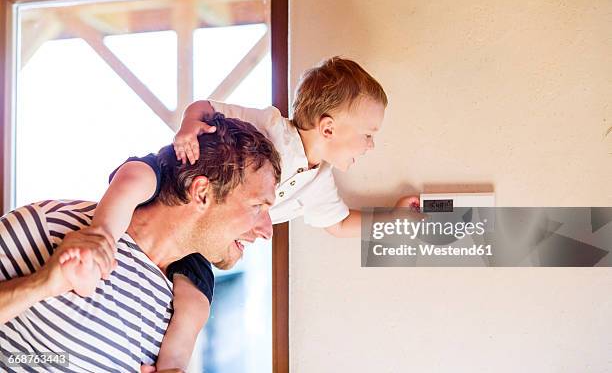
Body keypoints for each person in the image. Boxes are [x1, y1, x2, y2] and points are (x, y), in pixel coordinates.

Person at [73, 56, 420, 369]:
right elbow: (204, 108)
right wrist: (188, 129)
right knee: (134, 178)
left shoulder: (319, 182)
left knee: (195, 306)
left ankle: (171, 366)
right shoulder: (269, 126)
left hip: (203, 243)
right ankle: (99, 241)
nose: (371, 144)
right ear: (327, 128)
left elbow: (340, 223)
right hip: (171, 184)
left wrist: (394, 220)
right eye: (368, 134)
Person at [0, 114, 281, 372]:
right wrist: (42, 285)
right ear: (203, 193)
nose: (268, 230)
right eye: (258, 206)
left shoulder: (182, 305)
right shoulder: (50, 224)